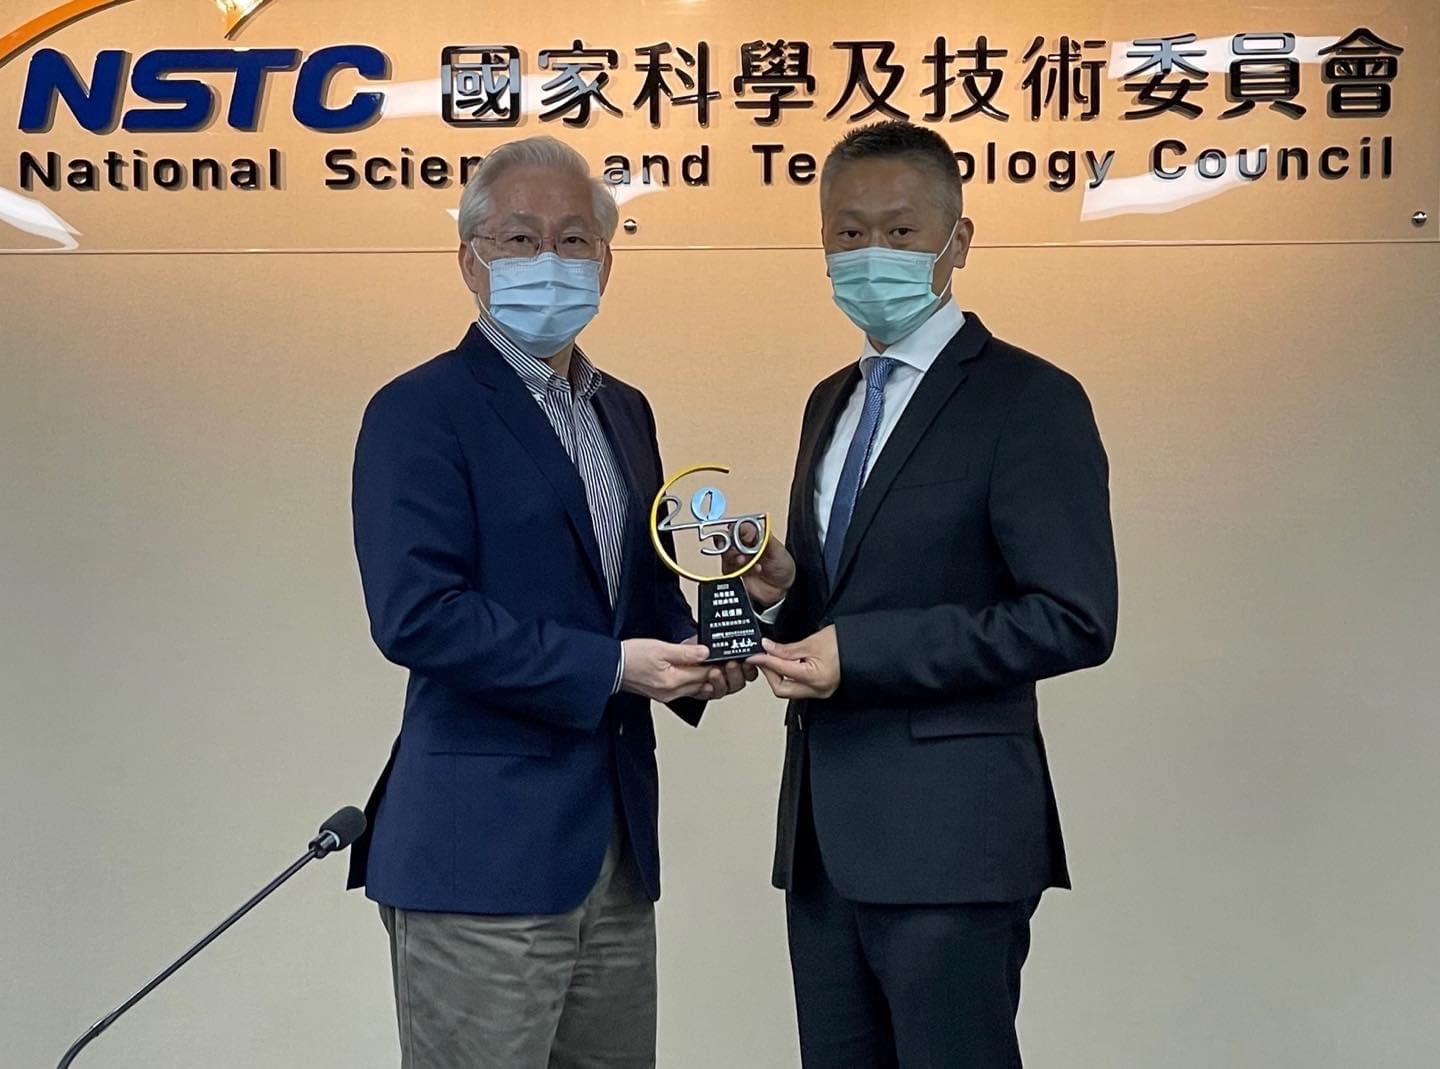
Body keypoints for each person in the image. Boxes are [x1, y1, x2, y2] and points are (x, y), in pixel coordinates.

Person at [348, 135, 751, 1069]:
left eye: (573, 240)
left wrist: (714, 650)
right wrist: (612, 667)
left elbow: (643, 593)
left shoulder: (625, 409)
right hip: (480, 853)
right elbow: (417, 613)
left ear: (606, 261)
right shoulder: (420, 409)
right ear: (471, 261)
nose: (549, 260)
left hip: (615, 847)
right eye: (520, 238)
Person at [742, 120, 1119, 1068]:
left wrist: (863, 652)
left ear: (958, 240)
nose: (871, 253)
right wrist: (784, 593)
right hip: (823, 842)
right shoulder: (830, 399)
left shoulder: (1028, 399)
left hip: (954, 841)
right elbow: (843, 600)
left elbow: (1073, 615)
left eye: (900, 230)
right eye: (848, 232)